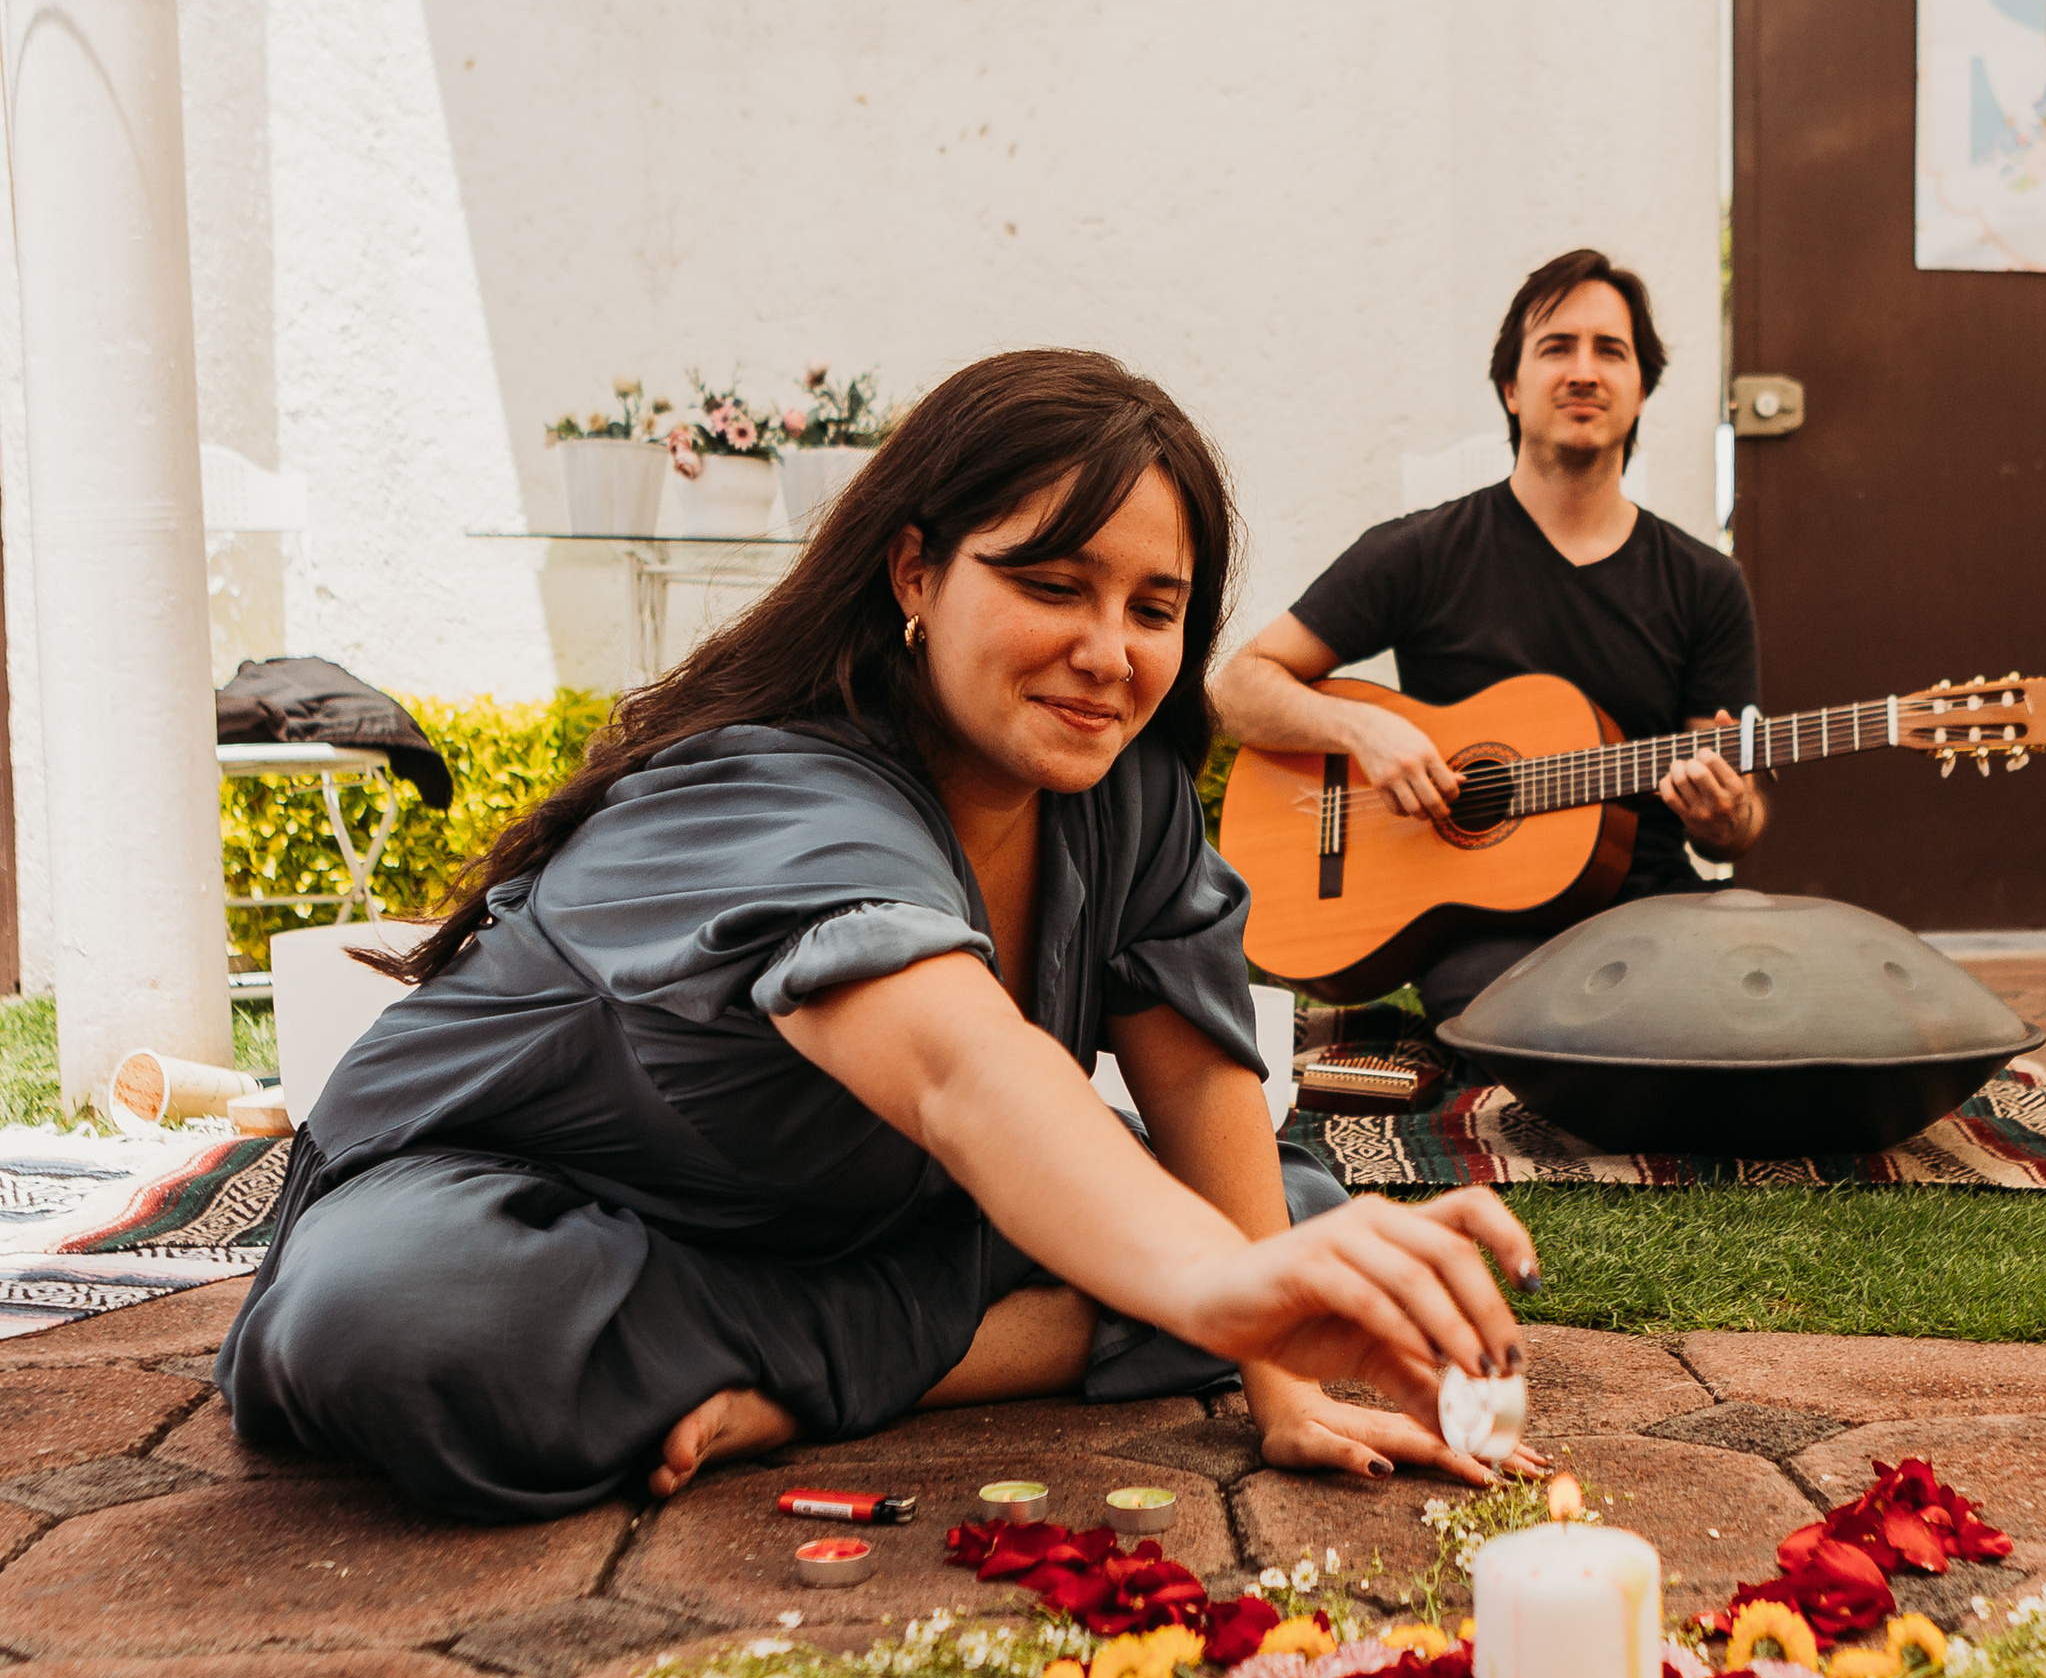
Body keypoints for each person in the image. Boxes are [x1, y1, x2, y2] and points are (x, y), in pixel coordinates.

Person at [218, 352, 1536, 1524]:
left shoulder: (1120, 790)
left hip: (844, 1224)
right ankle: (839, 1360)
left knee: (1277, 1212)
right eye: (1051, 584)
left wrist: (1275, 1370)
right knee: (406, 1327)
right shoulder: (775, 788)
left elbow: (1194, 1070)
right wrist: (1209, 1289)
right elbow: (959, 1070)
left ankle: (772, 1378)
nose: (1107, 652)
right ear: (917, 571)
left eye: (1153, 608)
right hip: (530, 1210)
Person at [1208, 249, 1768, 1027]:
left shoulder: (1706, 582)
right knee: (1509, 1012)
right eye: (1555, 347)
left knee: (1772, 968)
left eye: (1610, 351)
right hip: (1488, 932)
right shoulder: (1422, 551)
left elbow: (1737, 814)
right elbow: (1238, 686)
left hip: (1651, 905)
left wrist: (1727, 818)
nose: (1583, 371)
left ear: (1640, 392)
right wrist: (1364, 727)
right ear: (1512, 386)